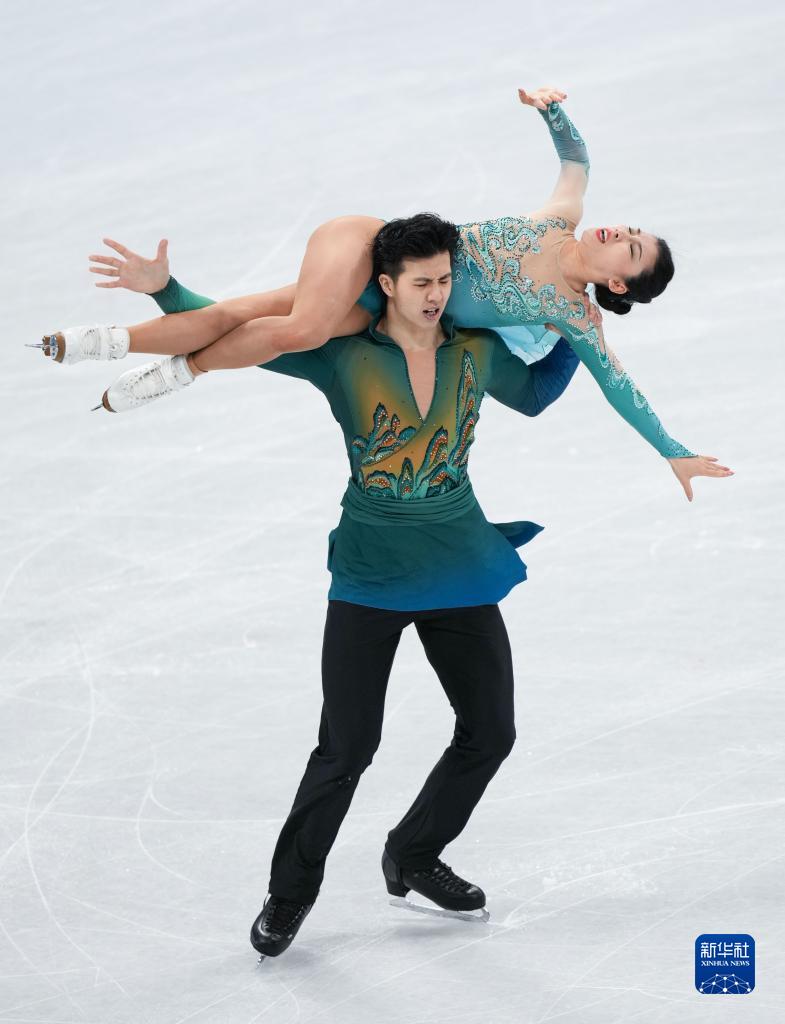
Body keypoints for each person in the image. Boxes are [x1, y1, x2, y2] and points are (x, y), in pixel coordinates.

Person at [105, 212, 583, 957]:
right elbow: (232, 332)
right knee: (346, 748)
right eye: (420, 282)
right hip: (370, 575)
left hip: (458, 566)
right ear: (385, 283)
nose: (435, 295)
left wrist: (579, 321)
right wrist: (166, 290)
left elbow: (538, 394)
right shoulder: (339, 354)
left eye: (444, 280)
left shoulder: (477, 352)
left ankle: (413, 853)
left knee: (491, 732)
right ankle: (289, 894)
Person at [32, 85, 732, 501]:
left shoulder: (571, 314)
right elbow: (575, 160)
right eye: (631, 230)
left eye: (630, 248)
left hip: (381, 302)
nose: (621, 232)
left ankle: (116, 346)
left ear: (617, 282)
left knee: (244, 317)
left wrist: (671, 449)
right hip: (371, 248)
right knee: (297, 327)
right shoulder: (561, 217)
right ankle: (163, 367)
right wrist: (551, 110)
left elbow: (620, 388)